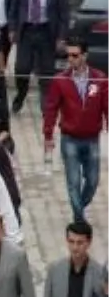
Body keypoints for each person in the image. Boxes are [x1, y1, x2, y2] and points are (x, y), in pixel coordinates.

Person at [43, 39, 109, 222]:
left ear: (85, 56)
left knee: (93, 181)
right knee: (73, 182)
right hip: (69, 138)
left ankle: (79, 207)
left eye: (74, 55)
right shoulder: (60, 80)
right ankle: (79, 219)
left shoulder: (100, 78)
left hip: (92, 138)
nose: (70, 59)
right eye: (68, 55)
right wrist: (48, 134)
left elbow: (107, 107)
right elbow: (51, 108)